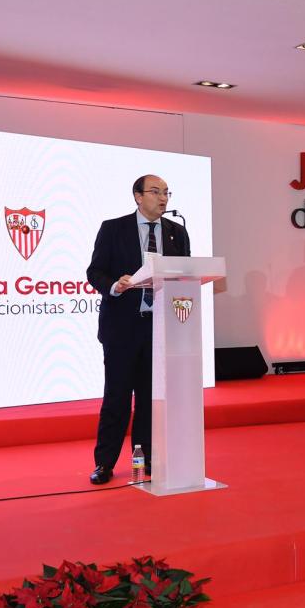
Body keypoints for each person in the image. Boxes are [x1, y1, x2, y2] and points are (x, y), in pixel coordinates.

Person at [85, 174, 191, 485]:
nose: (163, 199)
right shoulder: (113, 228)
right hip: (121, 329)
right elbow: (95, 271)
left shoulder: (177, 232)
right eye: (155, 192)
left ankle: (144, 461)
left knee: (149, 400)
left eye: (166, 193)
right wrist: (114, 285)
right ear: (137, 196)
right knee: (116, 398)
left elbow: (184, 272)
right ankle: (104, 463)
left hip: (160, 329)